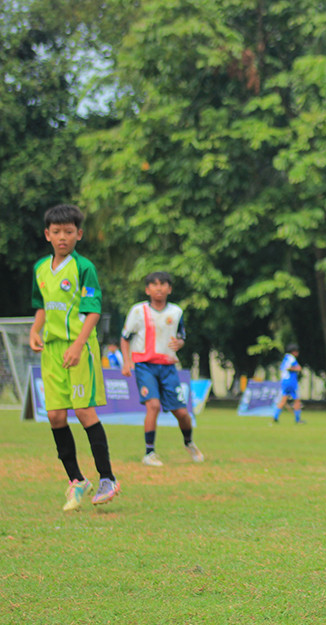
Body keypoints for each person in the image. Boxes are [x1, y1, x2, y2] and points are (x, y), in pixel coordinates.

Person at [29, 204, 120, 510]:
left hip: (79, 347)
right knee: (55, 416)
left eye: (69, 232)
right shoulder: (41, 268)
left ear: (79, 234)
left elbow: (93, 310)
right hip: (52, 349)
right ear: (47, 235)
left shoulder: (84, 268)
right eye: (57, 232)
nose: (62, 237)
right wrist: (35, 330)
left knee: (83, 411)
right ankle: (76, 480)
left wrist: (79, 345)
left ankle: (108, 478)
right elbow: (42, 305)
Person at [121, 271, 204, 466]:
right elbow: (125, 338)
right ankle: (149, 453)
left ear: (170, 288)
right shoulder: (138, 311)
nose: (159, 288)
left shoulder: (176, 312)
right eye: (154, 284)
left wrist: (180, 343)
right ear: (147, 289)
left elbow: (181, 336)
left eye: (163, 284)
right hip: (145, 366)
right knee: (153, 406)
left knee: (182, 413)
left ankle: (189, 442)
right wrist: (127, 361)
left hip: (167, 367)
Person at [274, 344, 304, 423]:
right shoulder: (291, 358)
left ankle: (275, 416)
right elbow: (289, 367)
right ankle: (298, 419)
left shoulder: (285, 358)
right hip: (291, 382)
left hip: (284, 381)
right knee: (297, 400)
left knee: (283, 400)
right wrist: (297, 368)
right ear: (293, 352)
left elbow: (283, 368)